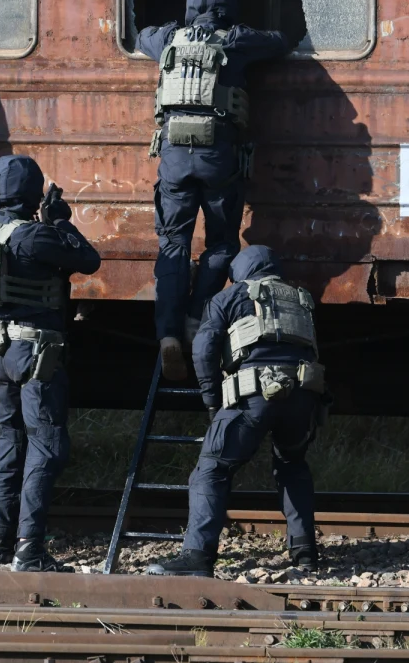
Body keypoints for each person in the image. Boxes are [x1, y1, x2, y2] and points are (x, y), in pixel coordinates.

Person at [137, 0, 306, 381]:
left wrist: (171, 27)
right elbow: (284, 41)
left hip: (174, 158)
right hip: (218, 158)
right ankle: (198, 318)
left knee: (173, 243)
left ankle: (167, 337)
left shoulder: (167, 41)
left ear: (191, 5)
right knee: (221, 242)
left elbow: (141, 34)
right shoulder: (236, 41)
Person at [0, 155, 101, 571]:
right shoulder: (33, 236)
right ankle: (29, 549)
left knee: (9, 442)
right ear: (32, 192)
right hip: (36, 352)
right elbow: (88, 260)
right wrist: (60, 220)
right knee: (47, 444)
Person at [145, 245, 325, 577]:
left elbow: (203, 350)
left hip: (253, 396)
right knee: (292, 465)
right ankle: (305, 553)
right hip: (303, 397)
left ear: (240, 271)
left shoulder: (230, 296)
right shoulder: (301, 297)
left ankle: (197, 558)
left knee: (211, 470)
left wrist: (213, 402)